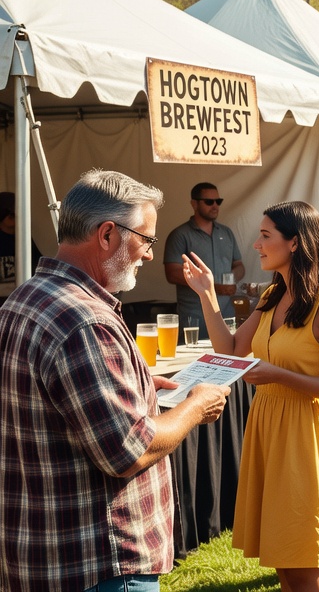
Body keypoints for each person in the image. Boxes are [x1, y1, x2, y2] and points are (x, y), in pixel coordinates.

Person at [0, 170, 229, 592]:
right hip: (99, 561)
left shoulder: (24, 297)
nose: (148, 254)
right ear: (107, 234)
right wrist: (195, 406)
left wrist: (135, 383)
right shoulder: (85, 320)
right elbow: (129, 450)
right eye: (145, 239)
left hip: (41, 553)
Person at [183, 202, 319, 592]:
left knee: (304, 565)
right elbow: (232, 350)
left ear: (295, 243)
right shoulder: (272, 296)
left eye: (266, 236)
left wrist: (279, 375)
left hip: (304, 436)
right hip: (267, 429)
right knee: (283, 560)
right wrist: (207, 294)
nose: (256, 244)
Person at [164, 182, 244, 339]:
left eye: (218, 201)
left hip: (226, 315)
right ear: (194, 204)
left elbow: (239, 265)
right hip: (195, 317)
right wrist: (213, 287)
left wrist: (231, 280)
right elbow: (172, 273)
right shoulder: (180, 235)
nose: (215, 206)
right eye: (209, 202)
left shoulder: (226, 233)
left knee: (228, 353)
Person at [0, 191, 42, 299]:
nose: (15, 216)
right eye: (11, 213)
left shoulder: (25, 238)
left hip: (23, 298)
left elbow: (38, 265)